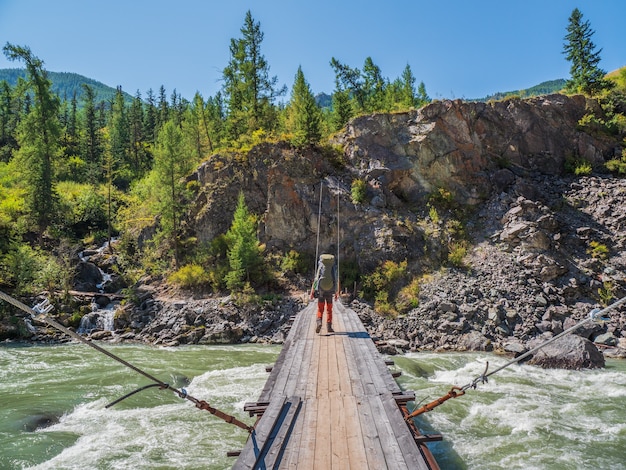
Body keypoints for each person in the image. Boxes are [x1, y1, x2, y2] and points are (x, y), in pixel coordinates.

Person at [311, 252, 338, 334]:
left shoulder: (321, 266)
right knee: (329, 309)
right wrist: (336, 292)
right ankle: (329, 327)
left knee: (320, 308)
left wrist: (312, 291)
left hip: (321, 289)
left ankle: (319, 322)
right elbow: (336, 279)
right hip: (330, 289)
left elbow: (316, 279)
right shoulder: (333, 267)